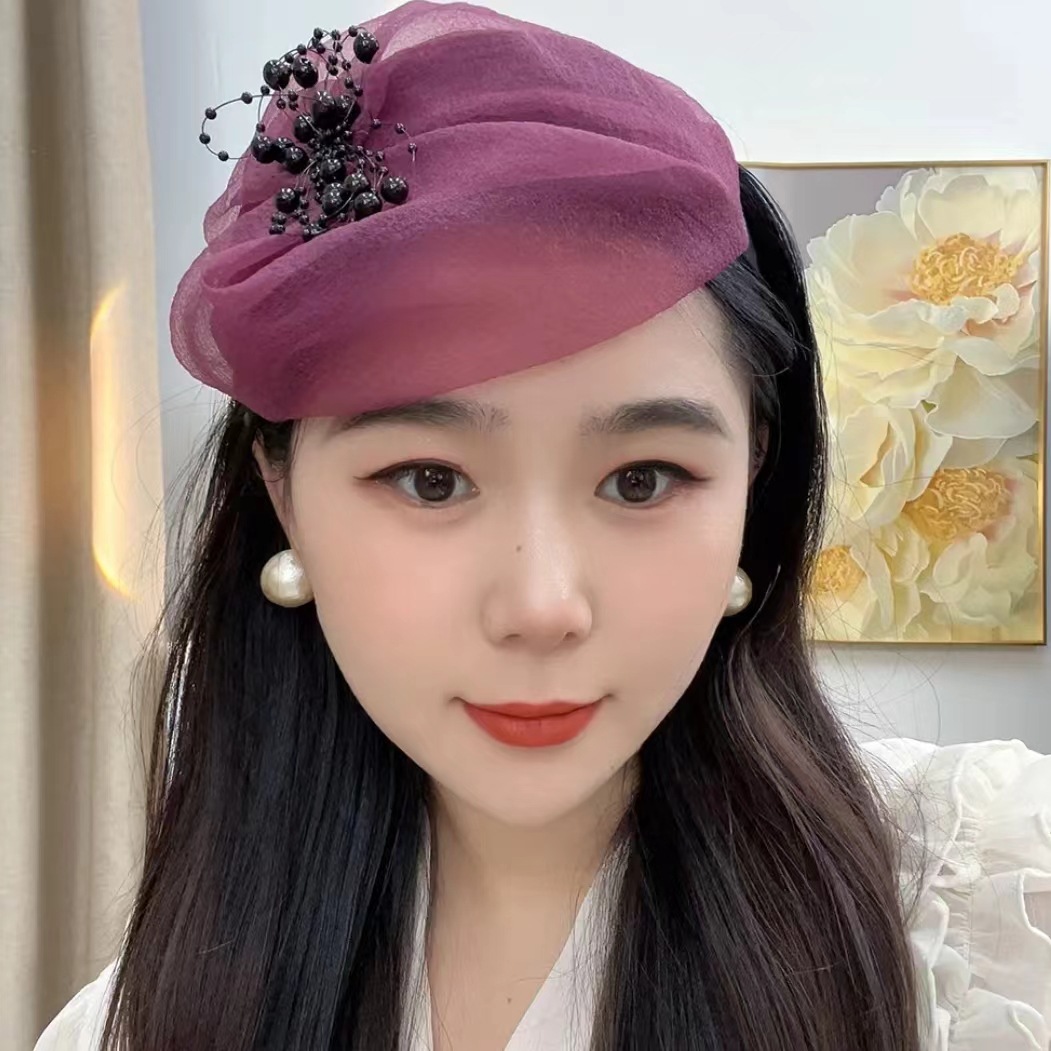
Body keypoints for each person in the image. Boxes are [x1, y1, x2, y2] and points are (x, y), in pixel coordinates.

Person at [34, 2, 1051, 1049]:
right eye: (430, 480)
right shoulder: (135, 1024)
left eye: (641, 480)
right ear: (283, 492)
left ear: (753, 476)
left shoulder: (989, 911)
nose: (542, 606)